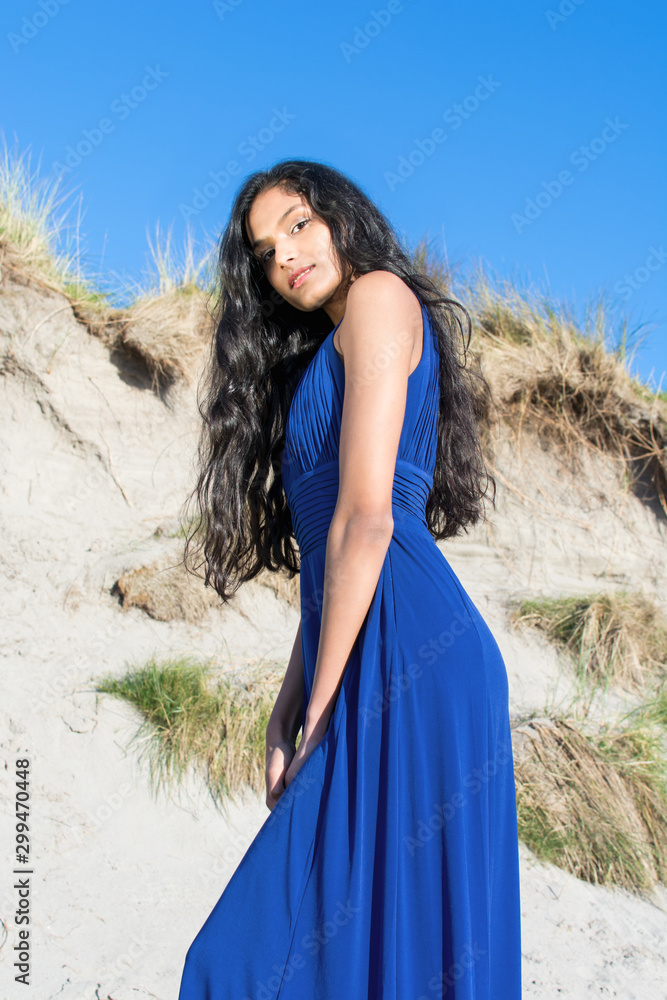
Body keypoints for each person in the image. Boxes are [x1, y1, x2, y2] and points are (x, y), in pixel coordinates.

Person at [178, 158, 522, 999]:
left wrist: (321, 705)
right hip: (357, 640)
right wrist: (289, 697)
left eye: (298, 224)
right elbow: (329, 548)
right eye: (264, 251)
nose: (285, 255)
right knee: (322, 938)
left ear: (339, 216)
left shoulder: (377, 299)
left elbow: (367, 519)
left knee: (242, 959)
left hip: (414, 652)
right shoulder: (317, 354)